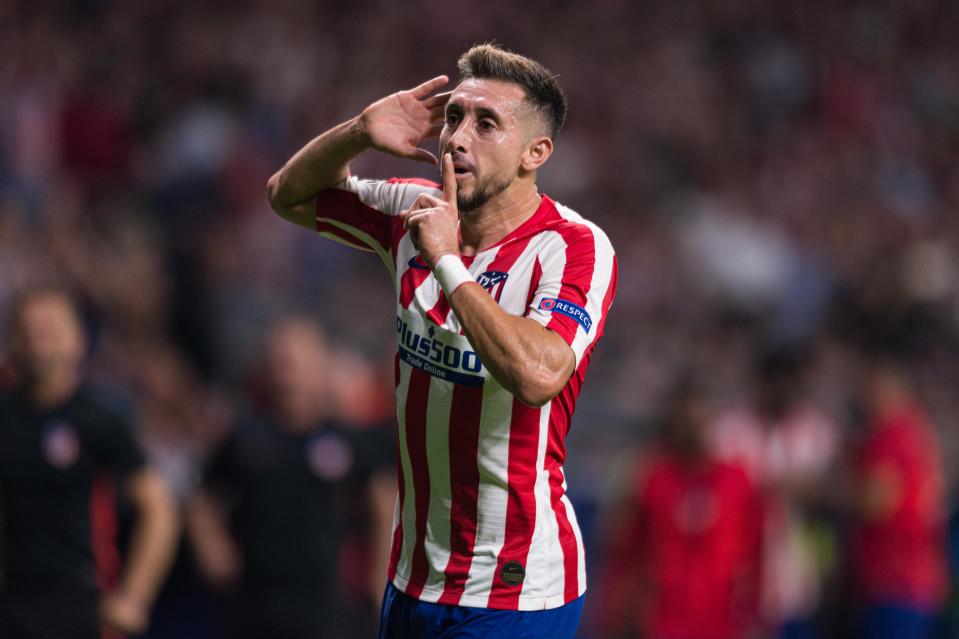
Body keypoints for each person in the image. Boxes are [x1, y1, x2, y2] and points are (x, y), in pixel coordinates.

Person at [266, 43, 618, 638]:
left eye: (486, 124)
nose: (457, 137)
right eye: (454, 116)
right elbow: (288, 195)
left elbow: (538, 376)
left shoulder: (574, 247)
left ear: (536, 152)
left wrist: (449, 264)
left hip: (516, 590)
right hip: (413, 580)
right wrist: (357, 133)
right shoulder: (415, 209)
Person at [187, 316, 395, 639]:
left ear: (321, 366)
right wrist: (212, 547)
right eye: (281, 360)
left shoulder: (349, 440)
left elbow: (384, 503)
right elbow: (203, 497)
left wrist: (380, 580)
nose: (288, 371)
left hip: (328, 605)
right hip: (255, 600)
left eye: (297, 360)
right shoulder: (245, 436)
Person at [0, 289, 179, 639]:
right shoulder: (4, 418)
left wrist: (134, 597)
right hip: (12, 603)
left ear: (77, 341)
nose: (39, 341)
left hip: (81, 601)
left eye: (49, 330)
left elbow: (159, 509)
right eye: (29, 330)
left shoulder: (98, 420)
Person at [596, 380, 763, 639]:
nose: (692, 429)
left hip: (723, 622)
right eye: (684, 421)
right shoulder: (651, 479)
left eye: (698, 420)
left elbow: (756, 553)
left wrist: (756, 616)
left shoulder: (737, 480)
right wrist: (615, 615)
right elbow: (627, 554)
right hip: (663, 621)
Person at [850, 362, 946, 639]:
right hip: (918, 581)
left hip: (893, 581)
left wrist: (826, 491)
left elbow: (876, 501)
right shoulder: (921, 433)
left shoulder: (891, 435)